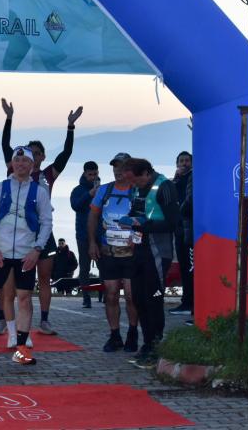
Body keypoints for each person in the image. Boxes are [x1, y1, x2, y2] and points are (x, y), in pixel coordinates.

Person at [0, 99, 82, 336]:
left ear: (43, 156)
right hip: (18, 232)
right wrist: (9, 119)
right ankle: (3, 319)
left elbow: (66, 153)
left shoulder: (48, 174)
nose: (33, 157)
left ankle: (44, 320)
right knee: (10, 279)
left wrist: (70, 126)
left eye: (37, 154)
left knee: (44, 277)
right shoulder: (13, 169)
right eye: (29, 153)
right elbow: (5, 145)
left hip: (43, 233)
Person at [0, 146, 53, 366]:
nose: (20, 165)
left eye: (25, 161)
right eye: (17, 161)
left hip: (26, 254)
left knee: (25, 299)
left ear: (32, 165)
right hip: (0, 253)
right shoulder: (0, 188)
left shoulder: (39, 191)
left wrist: (37, 249)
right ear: (11, 164)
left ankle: (21, 348)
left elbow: (47, 222)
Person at [119, 157, 179, 366]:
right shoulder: (137, 188)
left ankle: (156, 345)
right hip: (139, 250)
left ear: (146, 173)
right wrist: (127, 221)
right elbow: (135, 212)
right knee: (138, 298)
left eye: (135, 180)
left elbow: (173, 222)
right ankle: (146, 343)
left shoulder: (165, 186)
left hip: (158, 252)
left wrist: (145, 225)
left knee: (153, 298)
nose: (133, 184)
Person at [88, 152, 139, 353]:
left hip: (131, 253)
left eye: (123, 167)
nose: (118, 171)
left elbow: (145, 218)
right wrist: (92, 243)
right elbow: (93, 216)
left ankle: (133, 333)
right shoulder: (105, 190)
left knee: (131, 296)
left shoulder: (137, 191)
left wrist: (137, 239)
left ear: (130, 169)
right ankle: (115, 335)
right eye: (115, 167)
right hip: (108, 251)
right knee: (110, 295)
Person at [69, 161, 101, 308]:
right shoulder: (77, 190)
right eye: (90, 174)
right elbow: (75, 206)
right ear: (84, 173)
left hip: (100, 234)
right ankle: (86, 297)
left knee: (103, 266)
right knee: (84, 267)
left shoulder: (102, 189)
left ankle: (104, 295)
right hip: (83, 234)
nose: (93, 177)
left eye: (95, 174)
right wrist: (89, 194)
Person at [170, 151, 194, 316]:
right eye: (181, 161)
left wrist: (178, 211)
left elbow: (189, 200)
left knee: (190, 267)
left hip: (189, 228)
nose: (184, 163)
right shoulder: (177, 180)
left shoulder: (193, 177)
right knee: (184, 267)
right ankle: (186, 301)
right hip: (179, 229)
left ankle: (190, 303)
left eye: (187, 160)